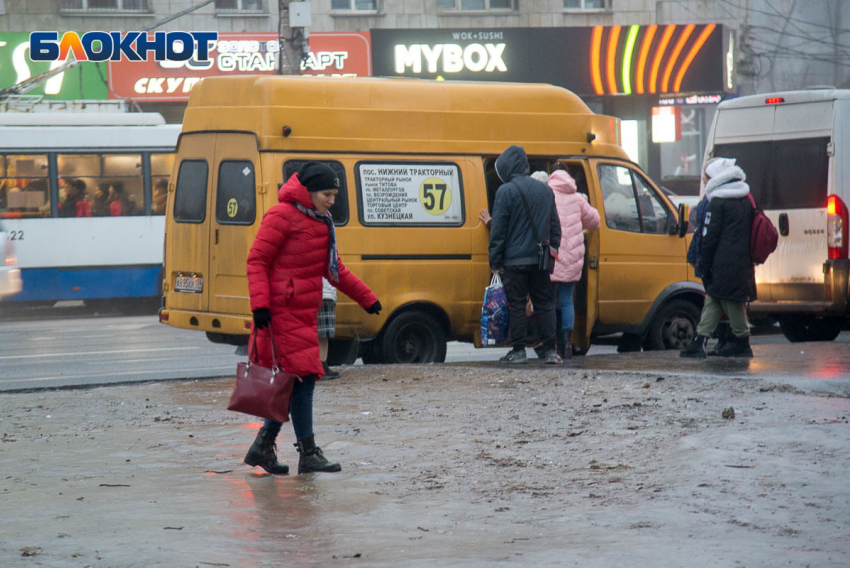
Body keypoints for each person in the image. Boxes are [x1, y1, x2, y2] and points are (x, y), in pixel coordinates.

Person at [244, 162, 381, 475]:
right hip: (279, 314)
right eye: (326, 194)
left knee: (292, 384)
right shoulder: (281, 215)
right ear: (309, 191)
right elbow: (257, 260)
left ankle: (265, 445)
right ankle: (305, 453)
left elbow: (334, 270)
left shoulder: (322, 222)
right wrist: (260, 306)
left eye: (334, 194)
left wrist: (367, 298)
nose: (331, 200)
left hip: (302, 314)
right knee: (302, 380)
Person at [488, 145, 562, 365]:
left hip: (515, 261)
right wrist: (552, 253)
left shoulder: (505, 192)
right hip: (540, 260)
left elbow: (498, 230)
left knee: (517, 304)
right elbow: (555, 227)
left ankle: (519, 351)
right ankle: (550, 351)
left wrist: (495, 260)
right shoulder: (545, 190)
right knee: (544, 303)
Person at [681, 157, 756, 358]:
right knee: (714, 299)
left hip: (722, 263)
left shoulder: (718, 202)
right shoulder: (745, 200)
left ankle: (742, 341)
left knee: (730, 301)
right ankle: (699, 340)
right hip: (740, 261)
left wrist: (704, 265)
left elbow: (709, 237)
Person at [547, 168, 600, 360]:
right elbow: (595, 222)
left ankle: (553, 344)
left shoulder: (547, 195)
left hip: (553, 257)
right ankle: (567, 345)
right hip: (573, 259)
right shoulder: (578, 199)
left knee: (550, 302)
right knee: (567, 300)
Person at [319, 277, 340, 379]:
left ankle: (322, 365)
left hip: (322, 293)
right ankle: (322, 366)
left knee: (321, 334)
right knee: (323, 335)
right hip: (325, 294)